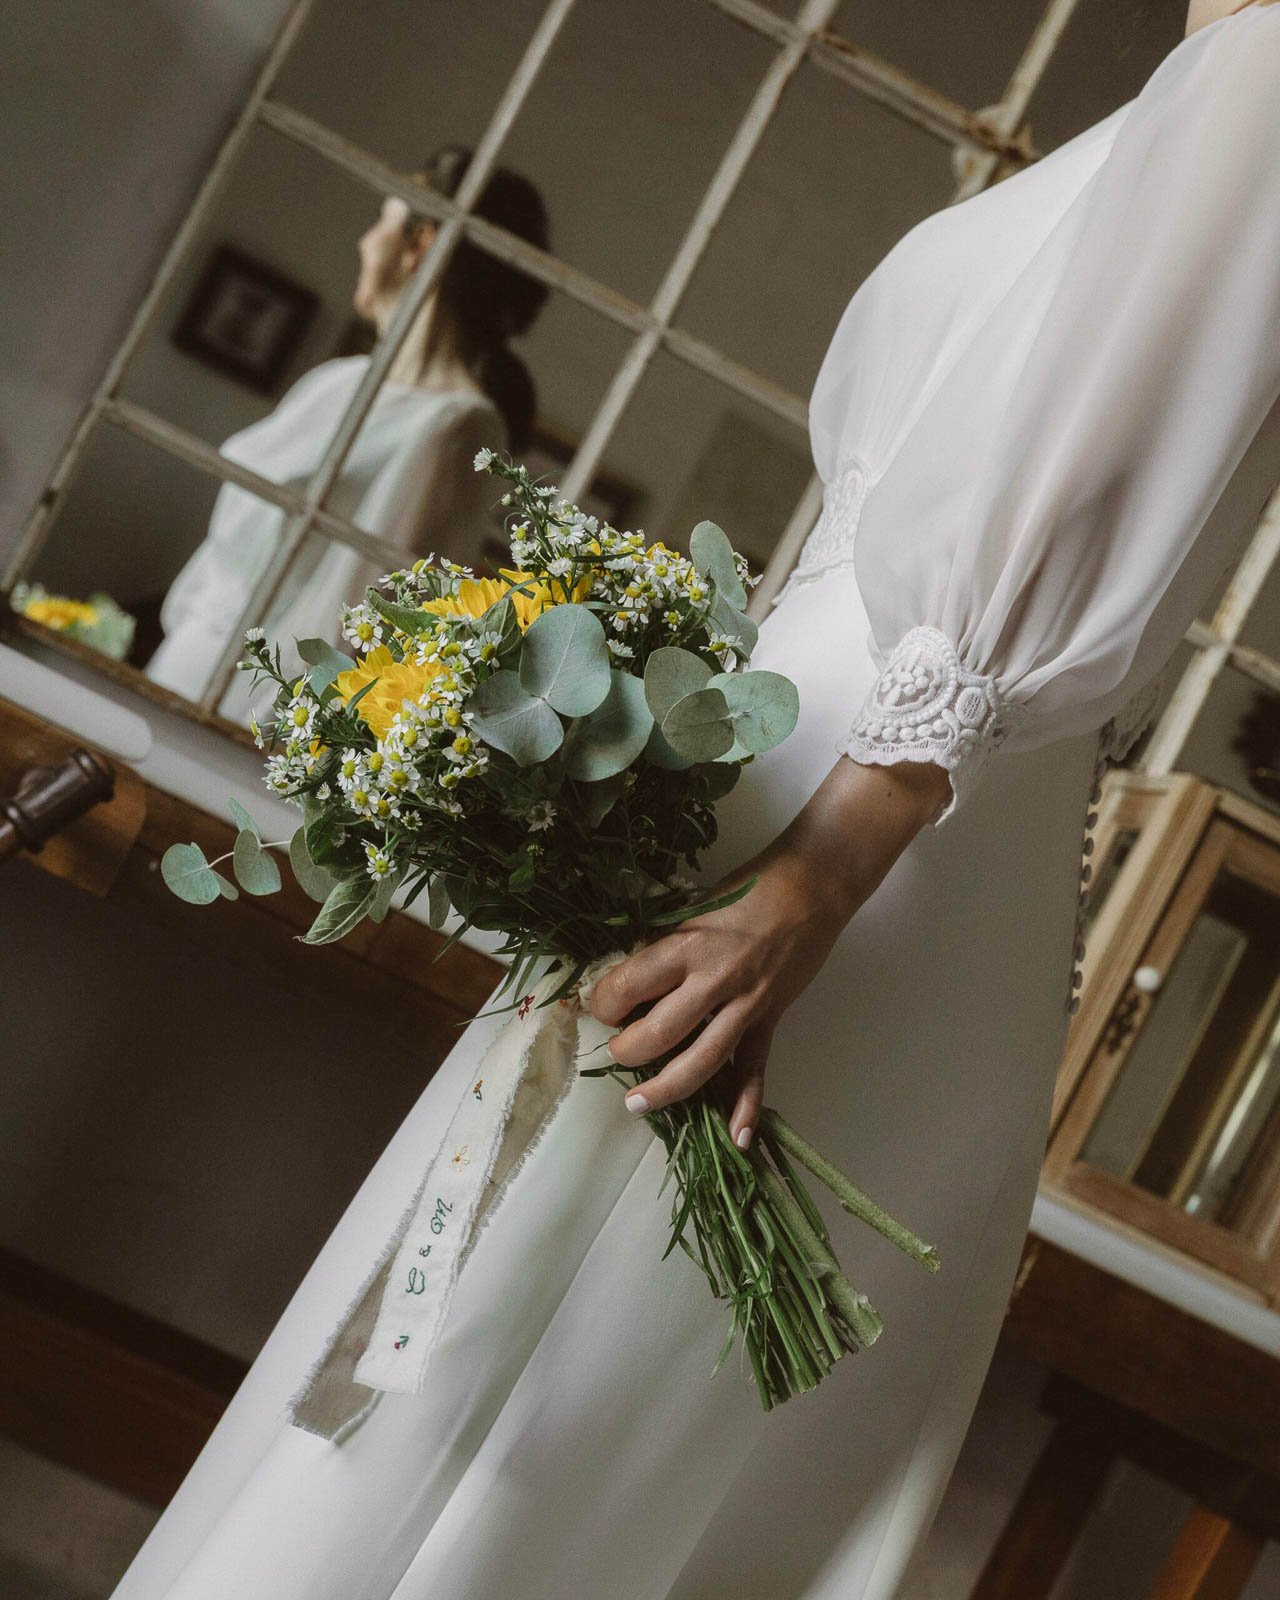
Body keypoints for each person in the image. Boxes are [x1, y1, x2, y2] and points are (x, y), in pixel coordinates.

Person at [112, 4, 1280, 1597]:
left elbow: (1070, 497)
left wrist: (815, 881)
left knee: (552, 1392)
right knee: (505, 1362)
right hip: (850, 793)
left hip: (870, 825)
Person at [144, 146, 548, 724]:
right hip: (186, 660)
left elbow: (364, 621)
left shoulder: (459, 427)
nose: (366, 243)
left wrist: (287, 731)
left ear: (423, 243)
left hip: (257, 708)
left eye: (381, 221)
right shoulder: (338, 380)